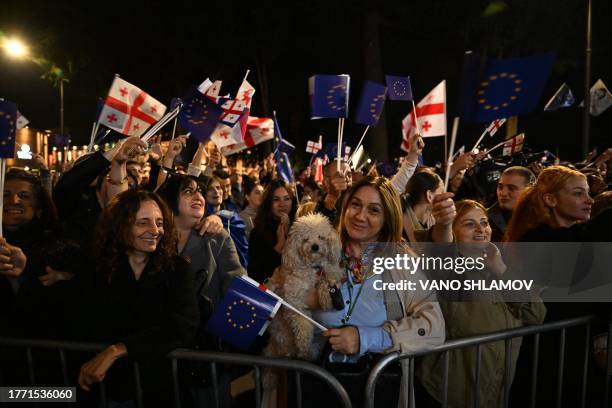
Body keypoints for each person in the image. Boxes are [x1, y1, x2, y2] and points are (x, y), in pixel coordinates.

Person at [309, 176, 445, 407]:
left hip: (377, 391)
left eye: (373, 210)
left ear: (387, 218)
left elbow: (434, 328)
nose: (360, 216)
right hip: (312, 387)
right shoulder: (317, 250)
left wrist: (366, 338)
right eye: (355, 204)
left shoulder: (402, 264)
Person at [418, 200, 545, 408]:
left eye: (484, 222)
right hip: (450, 393)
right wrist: (444, 224)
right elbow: (441, 250)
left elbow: (536, 314)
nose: (481, 230)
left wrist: (501, 271)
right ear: (454, 231)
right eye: (469, 224)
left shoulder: (501, 267)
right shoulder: (448, 269)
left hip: (494, 392)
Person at [78, 189, 199, 405]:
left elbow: (182, 326)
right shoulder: (99, 268)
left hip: (162, 391)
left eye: (160, 223)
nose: (155, 230)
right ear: (121, 226)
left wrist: (119, 349)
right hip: (109, 389)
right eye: (143, 223)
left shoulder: (177, 268)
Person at [157, 175, 245, 407]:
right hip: (159, 355)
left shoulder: (217, 238)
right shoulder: (153, 239)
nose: (198, 196)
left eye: (199, 191)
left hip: (207, 359)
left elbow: (237, 290)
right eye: (188, 191)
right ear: (169, 200)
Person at [248, 180, 297, 283]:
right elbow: (255, 275)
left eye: (287, 199)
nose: (282, 204)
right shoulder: (257, 233)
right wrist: (279, 246)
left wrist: (289, 233)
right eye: (276, 199)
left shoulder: (301, 227)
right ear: (268, 203)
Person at [487, 166, 535, 241]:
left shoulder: (541, 221)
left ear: (529, 191)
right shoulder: (484, 218)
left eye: (511, 188)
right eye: (500, 187)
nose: (503, 193)